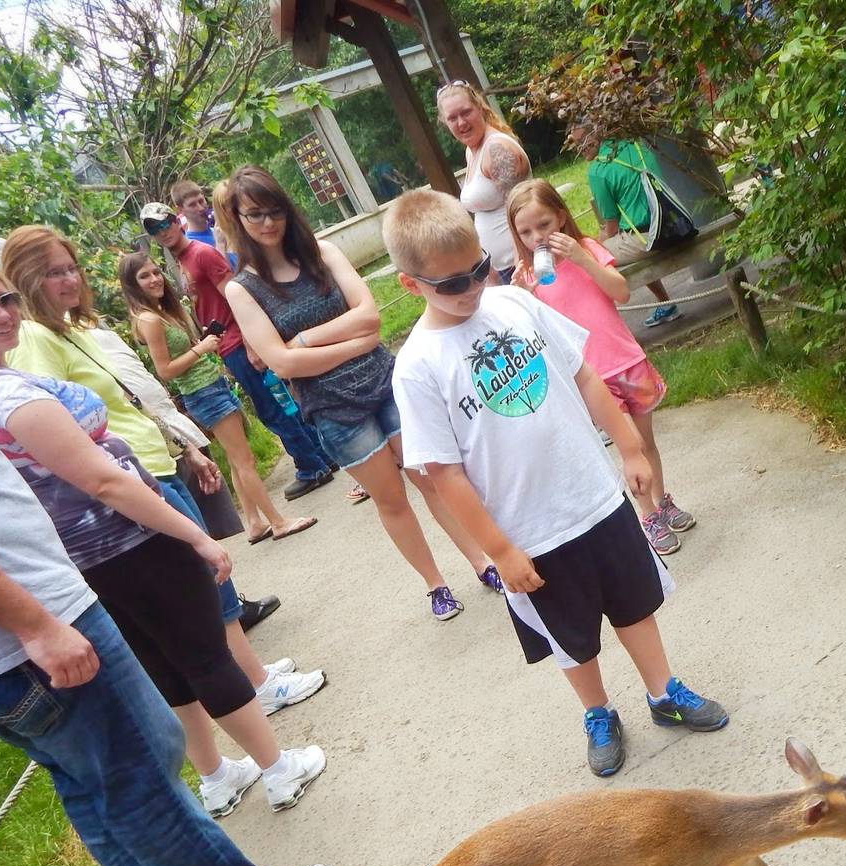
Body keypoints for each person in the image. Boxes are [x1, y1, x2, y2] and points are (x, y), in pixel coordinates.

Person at [0, 348, 331, 866]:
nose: (0, 314)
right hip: (14, 630)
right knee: (138, 767)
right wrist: (33, 624)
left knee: (89, 780)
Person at [0, 251, 329, 818]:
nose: (3, 314)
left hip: (81, 558)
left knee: (164, 664)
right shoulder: (7, 395)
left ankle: (216, 775)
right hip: (130, 539)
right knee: (205, 653)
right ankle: (279, 768)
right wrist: (195, 534)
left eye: (6, 299)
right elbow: (105, 481)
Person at [385, 189, 729, 776]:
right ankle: (598, 712)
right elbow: (443, 474)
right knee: (572, 635)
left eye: (476, 270)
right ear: (410, 284)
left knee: (635, 603)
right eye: (450, 284)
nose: (469, 289)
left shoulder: (516, 306)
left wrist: (629, 447)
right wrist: (499, 550)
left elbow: (585, 374)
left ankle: (664, 692)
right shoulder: (418, 366)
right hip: (531, 533)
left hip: (594, 498)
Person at [0, 226, 324, 718]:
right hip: (133, 477)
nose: (68, 280)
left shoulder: (67, 329)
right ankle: (254, 685)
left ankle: (251, 674)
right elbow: (60, 427)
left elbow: (128, 399)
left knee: (213, 579)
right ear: (23, 279)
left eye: (70, 267)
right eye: (51, 272)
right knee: (204, 580)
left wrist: (183, 445)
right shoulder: (35, 340)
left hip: (153, 460)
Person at [220, 165, 504, 622]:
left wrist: (306, 340)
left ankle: (483, 561)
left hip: (384, 382)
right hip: (332, 410)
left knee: (431, 476)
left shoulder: (324, 253)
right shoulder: (242, 288)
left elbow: (370, 320)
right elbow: (281, 364)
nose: (268, 222)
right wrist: (338, 343)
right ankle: (436, 585)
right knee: (391, 499)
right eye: (255, 214)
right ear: (238, 219)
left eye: (275, 210)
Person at [508, 178, 695, 557]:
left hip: (627, 359)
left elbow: (621, 291)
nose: (536, 238)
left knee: (648, 443)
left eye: (543, 225)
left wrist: (581, 258)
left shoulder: (588, 249)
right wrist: (522, 298)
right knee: (633, 446)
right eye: (525, 232)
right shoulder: (529, 276)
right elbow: (534, 330)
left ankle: (661, 501)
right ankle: (647, 516)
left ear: (561, 217)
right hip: (591, 376)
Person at [140, 201, 337, 501]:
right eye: (154, 228)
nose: (162, 231)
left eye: (165, 222)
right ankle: (321, 457)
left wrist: (251, 342)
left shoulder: (202, 253)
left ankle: (311, 466)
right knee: (278, 402)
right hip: (226, 345)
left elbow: (236, 296)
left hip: (240, 342)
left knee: (271, 407)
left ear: (177, 220)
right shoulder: (181, 261)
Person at [119, 250, 316, 545]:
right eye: (144, 276)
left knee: (239, 460)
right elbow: (165, 370)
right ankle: (278, 521)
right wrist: (201, 349)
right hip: (203, 393)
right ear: (132, 285)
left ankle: (253, 522)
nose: (154, 279)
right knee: (245, 459)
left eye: (155, 272)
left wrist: (201, 347)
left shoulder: (161, 312)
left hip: (212, 385)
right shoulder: (149, 320)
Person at [582, 131, 685, 328]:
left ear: (595, 137)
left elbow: (611, 226)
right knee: (625, 239)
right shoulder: (635, 143)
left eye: (580, 142)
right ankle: (665, 303)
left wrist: (598, 240)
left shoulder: (598, 169)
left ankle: (608, 326)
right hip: (675, 223)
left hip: (649, 238)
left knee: (592, 257)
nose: (578, 149)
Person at [436, 81, 531, 285]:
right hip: (500, 269)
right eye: (452, 118)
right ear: (445, 122)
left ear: (479, 107)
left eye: (466, 112)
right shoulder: (472, 150)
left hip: (521, 266)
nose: (461, 123)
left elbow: (522, 210)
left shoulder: (496, 149)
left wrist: (521, 269)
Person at [170, 179, 230, 257]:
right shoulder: (191, 248)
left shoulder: (217, 231)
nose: (200, 208)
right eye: (192, 205)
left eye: (201, 201)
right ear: (180, 210)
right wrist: (220, 245)